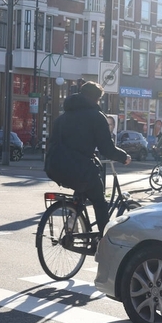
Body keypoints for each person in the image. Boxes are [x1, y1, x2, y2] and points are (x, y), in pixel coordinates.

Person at [49, 81, 131, 234]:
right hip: (79, 167)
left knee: (82, 184)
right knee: (99, 201)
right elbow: (106, 148)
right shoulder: (96, 116)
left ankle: (73, 217)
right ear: (96, 98)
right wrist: (123, 157)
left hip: (54, 166)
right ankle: (105, 242)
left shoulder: (63, 117)